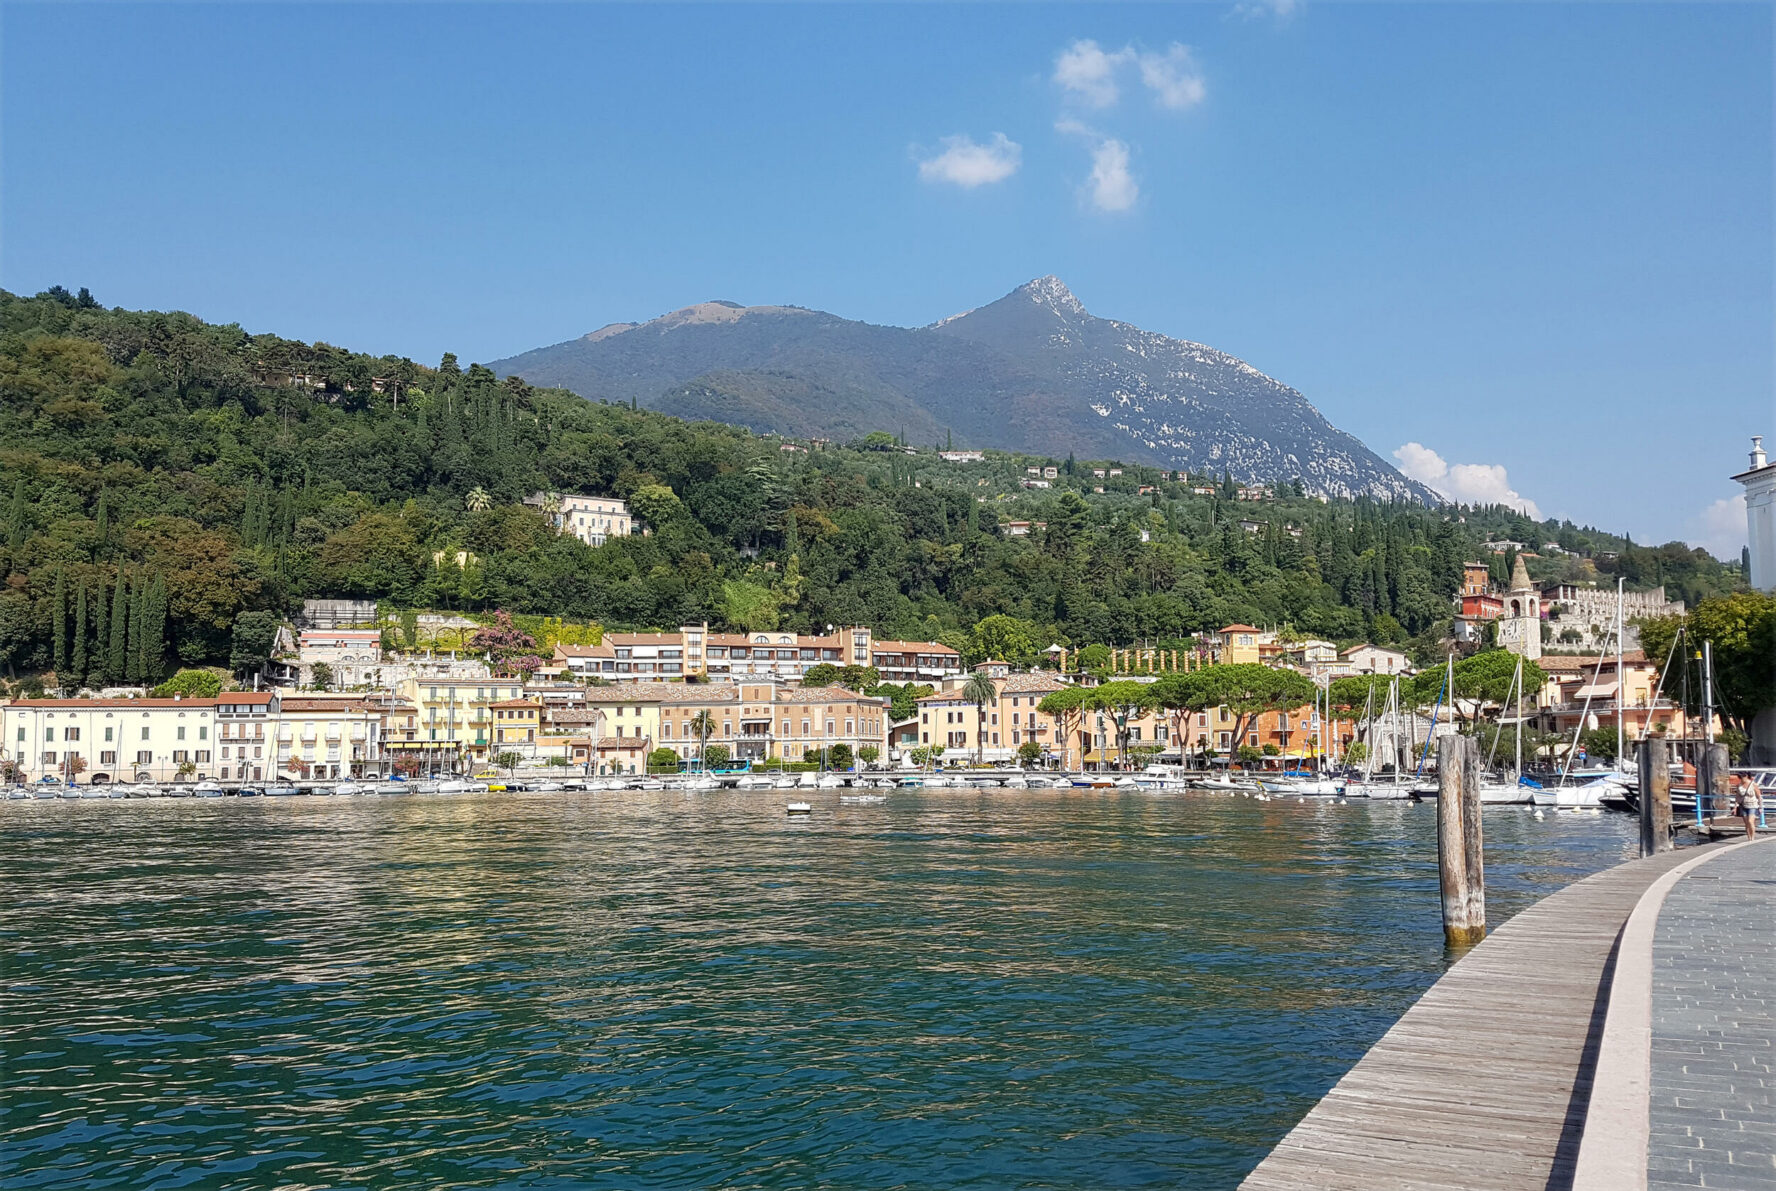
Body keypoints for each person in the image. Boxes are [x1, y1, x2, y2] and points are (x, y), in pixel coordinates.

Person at [1735, 774, 1762, 840]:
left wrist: (1760, 807)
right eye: (1740, 777)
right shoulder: (1739, 785)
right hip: (1743, 805)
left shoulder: (1753, 784)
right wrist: (1735, 807)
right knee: (1746, 823)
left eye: (1742, 777)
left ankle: (1752, 838)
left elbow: (1759, 796)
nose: (1741, 779)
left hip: (1752, 805)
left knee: (1750, 821)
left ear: (1746, 776)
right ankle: (1749, 838)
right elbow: (1737, 797)